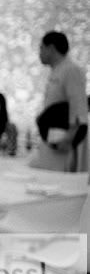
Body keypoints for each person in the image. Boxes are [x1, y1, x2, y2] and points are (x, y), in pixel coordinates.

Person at [30, 31, 88, 172]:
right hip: (53, 133)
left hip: (65, 136)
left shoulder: (71, 70)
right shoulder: (57, 71)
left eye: (41, 48)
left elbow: (78, 106)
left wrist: (69, 138)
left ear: (51, 48)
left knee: (57, 176)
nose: (39, 53)